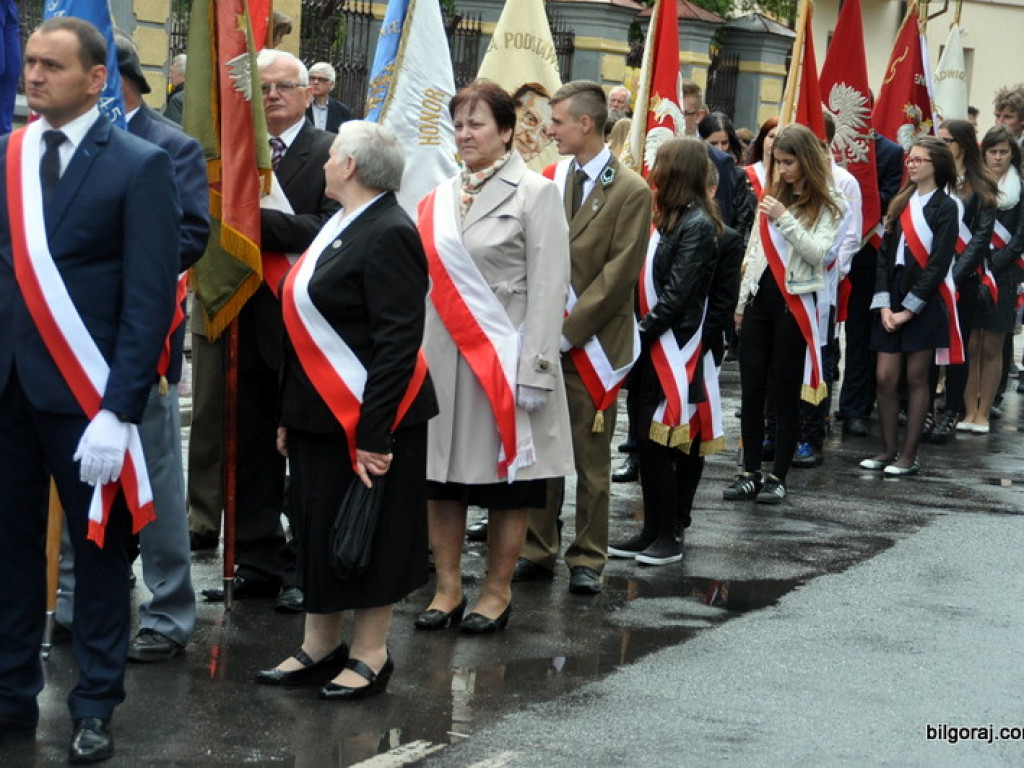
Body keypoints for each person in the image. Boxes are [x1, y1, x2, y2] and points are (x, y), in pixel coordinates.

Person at [0, 17, 180, 763]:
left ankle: (95, 701)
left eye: (51, 65)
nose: (33, 75)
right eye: (30, 62)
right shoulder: (6, 156)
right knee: (8, 553)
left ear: (96, 79)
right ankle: (11, 694)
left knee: (101, 553)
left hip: (87, 399)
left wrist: (120, 409)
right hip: (8, 391)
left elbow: (148, 301)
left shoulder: (139, 165)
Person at [256, 121, 437, 699]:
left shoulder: (390, 231)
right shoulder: (339, 222)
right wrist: (290, 413)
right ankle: (319, 643)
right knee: (313, 527)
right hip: (317, 416)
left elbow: (397, 342)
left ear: (352, 166)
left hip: (373, 421)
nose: (326, 161)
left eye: (333, 155)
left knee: (368, 534)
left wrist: (375, 433)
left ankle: (370, 653)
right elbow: (301, 327)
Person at [55, 32, 210, 664]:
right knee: (76, 478)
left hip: (139, 343)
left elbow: (192, 234)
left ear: (106, 79)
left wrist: (105, 269)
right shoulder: (63, 147)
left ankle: (169, 612)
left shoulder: (171, 146)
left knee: (156, 484)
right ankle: (72, 600)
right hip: (69, 343)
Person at [415, 80, 572, 633]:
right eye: (458, 124)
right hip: (444, 361)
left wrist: (537, 368)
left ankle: (497, 592)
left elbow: (551, 286)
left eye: (477, 123)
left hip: (505, 364)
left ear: (507, 132)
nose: (464, 134)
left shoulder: (535, 193)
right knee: (443, 480)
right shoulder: (435, 199)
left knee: (510, 485)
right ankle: (447, 587)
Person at [196, 49, 340, 611]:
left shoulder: (331, 152)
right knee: (250, 449)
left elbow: (327, 230)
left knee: (305, 456)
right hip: (243, 319)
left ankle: (304, 565)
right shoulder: (238, 156)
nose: (274, 96)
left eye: (284, 86)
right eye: (264, 89)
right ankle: (256, 560)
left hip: (307, 328)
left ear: (309, 93)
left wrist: (249, 225)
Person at [515, 81, 650, 593]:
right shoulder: (550, 178)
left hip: (590, 346)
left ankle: (588, 557)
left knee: (591, 464)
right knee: (541, 455)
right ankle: (537, 547)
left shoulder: (631, 190)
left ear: (585, 124)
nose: (549, 130)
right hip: (545, 343)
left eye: (557, 122)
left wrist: (566, 333)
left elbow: (619, 276)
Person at [607, 138, 721, 565]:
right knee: (644, 444)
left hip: (672, 348)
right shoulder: (666, 219)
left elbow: (676, 297)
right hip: (649, 347)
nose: (653, 169)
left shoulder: (698, 226)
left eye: (660, 164)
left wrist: (637, 333)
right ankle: (650, 530)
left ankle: (668, 537)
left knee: (661, 448)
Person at [725, 124, 844, 504]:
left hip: (795, 305)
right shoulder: (772, 196)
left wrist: (785, 219)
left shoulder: (830, 205)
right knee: (752, 391)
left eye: (789, 162)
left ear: (806, 161)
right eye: (778, 161)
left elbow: (817, 254)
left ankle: (778, 475)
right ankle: (749, 471)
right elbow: (754, 254)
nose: (783, 169)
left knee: (784, 393)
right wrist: (741, 304)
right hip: (762, 300)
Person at [860, 138, 959, 475]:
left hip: (924, 301)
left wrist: (909, 310)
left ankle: (908, 455)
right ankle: (887, 450)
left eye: (919, 159)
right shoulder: (901, 201)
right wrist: (886, 305)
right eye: (910, 159)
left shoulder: (946, 208)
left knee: (918, 377)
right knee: (885, 376)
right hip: (894, 293)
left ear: (937, 164)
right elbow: (885, 256)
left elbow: (938, 264)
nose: (912, 164)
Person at [792, 112, 862, 469]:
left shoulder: (845, 182)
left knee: (820, 359)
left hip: (824, 286)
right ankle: (784, 430)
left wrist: (831, 266)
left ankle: (811, 433)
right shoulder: (789, 181)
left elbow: (850, 238)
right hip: (791, 287)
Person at [930, 119, 998, 442]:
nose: (941, 145)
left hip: (963, 280)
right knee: (928, 345)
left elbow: (981, 238)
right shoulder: (934, 178)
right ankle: (924, 410)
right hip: (931, 276)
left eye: (947, 140)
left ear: (963, 144)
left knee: (957, 346)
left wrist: (953, 278)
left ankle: (952, 410)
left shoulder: (982, 184)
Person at [836, 127, 905, 437]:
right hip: (822, 251)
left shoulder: (889, 152)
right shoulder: (823, 148)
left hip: (865, 255)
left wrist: (853, 184)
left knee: (860, 334)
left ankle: (854, 408)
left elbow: (888, 201)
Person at [959, 127, 1023, 432]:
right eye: (992, 151)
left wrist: (993, 266)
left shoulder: (1021, 189)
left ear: (1012, 155)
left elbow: (1020, 239)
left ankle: (984, 412)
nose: (998, 157)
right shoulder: (974, 188)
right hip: (974, 271)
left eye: (1003, 152)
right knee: (971, 344)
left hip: (1005, 273)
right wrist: (978, 264)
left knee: (992, 346)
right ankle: (968, 409)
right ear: (983, 154)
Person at [698, 111, 755, 241]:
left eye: (724, 143)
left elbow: (741, 217)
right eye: (713, 143)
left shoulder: (737, 175)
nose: (720, 149)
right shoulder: (693, 171)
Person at [305, 62, 352, 133]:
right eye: (312, 78)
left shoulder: (342, 111)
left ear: (332, 84)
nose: (315, 82)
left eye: (321, 79)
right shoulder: (300, 106)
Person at [163, 52, 185, 125]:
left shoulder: (176, 100)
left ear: (182, 74)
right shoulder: (197, 94)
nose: (169, 76)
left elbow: (170, 127)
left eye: (172, 72)